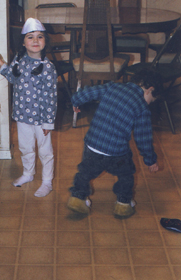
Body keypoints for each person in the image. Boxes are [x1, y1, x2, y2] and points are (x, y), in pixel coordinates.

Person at [67, 69, 163, 219]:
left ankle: (78, 198)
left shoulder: (113, 87)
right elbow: (143, 138)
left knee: (85, 171)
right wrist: (150, 160)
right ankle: (123, 204)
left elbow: (88, 93)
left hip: (93, 143)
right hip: (116, 151)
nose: (149, 103)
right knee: (126, 175)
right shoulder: (142, 108)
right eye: (151, 99)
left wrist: (76, 101)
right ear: (150, 89)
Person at [0, 18, 57, 197]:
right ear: (23, 42)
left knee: (45, 151)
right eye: (30, 37)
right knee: (25, 147)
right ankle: (28, 173)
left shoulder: (47, 67)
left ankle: (47, 181)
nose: (35, 41)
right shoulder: (19, 59)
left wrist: (48, 123)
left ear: (45, 41)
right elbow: (13, 77)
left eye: (40, 37)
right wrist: (1, 63)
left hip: (41, 119)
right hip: (21, 115)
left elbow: (51, 97)